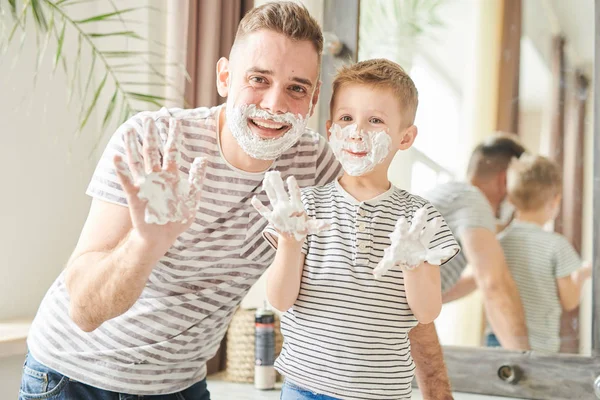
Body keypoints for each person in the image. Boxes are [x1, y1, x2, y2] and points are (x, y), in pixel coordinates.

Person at [19, 2, 454, 399]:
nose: (273, 104)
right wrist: (146, 244)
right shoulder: (152, 141)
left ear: (314, 99)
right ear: (224, 77)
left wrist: (437, 390)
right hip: (70, 379)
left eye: (296, 89)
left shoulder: (319, 166)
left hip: (181, 385)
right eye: (258, 79)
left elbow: (389, 293)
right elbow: (84, 310)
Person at [253, 59, 460, 400]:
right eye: (347, 119)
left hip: (382, 394)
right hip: (304, 389)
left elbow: (427, 312)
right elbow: (279, 300)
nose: (357, 131)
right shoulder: (301, 206)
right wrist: (290, 242)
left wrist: (411, 265)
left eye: (375, 121)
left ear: (405, 137)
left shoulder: (420, 218)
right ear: (331, 127)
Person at [425, 133, 532, 350]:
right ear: (505, 180)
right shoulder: (473, 199)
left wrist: (491, 264)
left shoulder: (452, 195)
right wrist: (526, 361)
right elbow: (493, 285)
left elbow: (436, 293)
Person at [485, 154, 591, 352]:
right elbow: (570, 301)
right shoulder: (557, 245)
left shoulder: (498, 243)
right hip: (539, 346)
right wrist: (582, 275)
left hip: (498, 340)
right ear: (555, 201)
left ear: (511, 198)